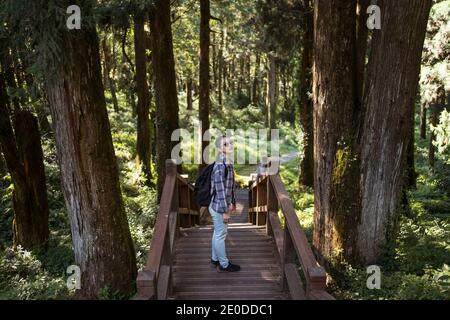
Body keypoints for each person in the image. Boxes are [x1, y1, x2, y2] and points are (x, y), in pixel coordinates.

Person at [209, 135, 241, 272]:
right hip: (218, 207)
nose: (230, 145)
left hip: (220, 205)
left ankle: (214, 259)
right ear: (219, 148)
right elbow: (221, 191)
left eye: (230, 143)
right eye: (225, 144)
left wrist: (233, 202)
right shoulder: (220, 166)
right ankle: (224, 264)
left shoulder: (228, 162)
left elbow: (230, 186)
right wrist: (225, 211)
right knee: (221, 235)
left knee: (217, 233)